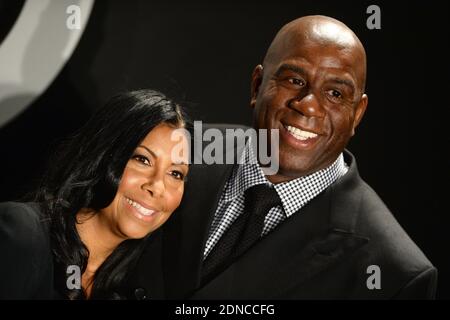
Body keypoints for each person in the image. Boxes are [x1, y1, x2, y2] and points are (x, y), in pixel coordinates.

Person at [126, 16, 437, 299]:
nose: (309, 106)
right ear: (257, 85)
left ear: (357, 114)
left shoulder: (395, 272)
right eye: (295, 81)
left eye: (335, 94)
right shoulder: (176, 151)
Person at [0, 89, 190, 299]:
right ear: (103, 155)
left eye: (175, 173)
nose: (157, 186)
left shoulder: (129, 291)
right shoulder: (22, 235)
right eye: (142, 160)